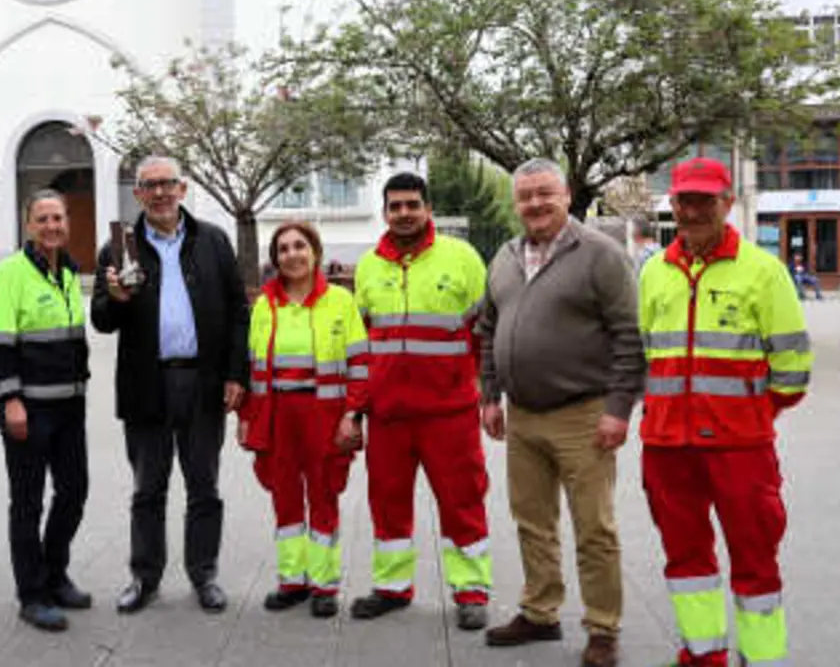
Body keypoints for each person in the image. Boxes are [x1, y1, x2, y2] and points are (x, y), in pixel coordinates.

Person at [640, 157, 812, 667]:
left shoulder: (764, 271)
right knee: (685, 558)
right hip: (668, 446)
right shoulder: (653, 271)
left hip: (740, 448)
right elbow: (644, 352)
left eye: (704, 201)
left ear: (727, 204)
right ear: (672, 204)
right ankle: (702, 654)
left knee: (755, 558)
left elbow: (793, 368)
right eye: (684, 201)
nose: (693, 211)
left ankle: (762, 657)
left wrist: (750, 415)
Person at [476, 158, 646, 667]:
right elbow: (488, 329)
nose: (535, 204)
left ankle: (603, 628)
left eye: (545, 193)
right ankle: (540, 611)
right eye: (526, 196)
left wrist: (619, 409)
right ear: (516, 203)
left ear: (567, 195)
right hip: (523, 415)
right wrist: (490, 395)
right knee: (532, 521)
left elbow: (629, 336)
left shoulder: (601, 254)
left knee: (594, 528)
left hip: (584, 414)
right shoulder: (505, 257)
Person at [91, 155, 249, 615]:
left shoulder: (213, 240)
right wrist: (116, 299)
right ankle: (144, 578)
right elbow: (101, 320)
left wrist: (236, 374)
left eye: (167, 183)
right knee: (147, 490)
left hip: (203, 383)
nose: (159, 193)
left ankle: (204, 574)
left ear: (183, 188)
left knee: (204, 487)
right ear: (137, 193)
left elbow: (238, 312)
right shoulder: (119, 247)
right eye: (149, 185)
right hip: (146, 385)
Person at [345, 172, 493, 629]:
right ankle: (392, 587)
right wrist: (356, 409)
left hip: (450, 413)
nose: (404, 213)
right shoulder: (368, 266)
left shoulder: (462, 257)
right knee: (387, 502)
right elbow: (361, 346)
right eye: (395, 206)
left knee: (463, 500)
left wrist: (484, 392)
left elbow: (486, 331)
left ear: (428, 208)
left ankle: (471, 590)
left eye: (412, 204)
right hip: (388, 414)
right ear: (385, 212)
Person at [237, 222, 367, 619]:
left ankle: (324, 584)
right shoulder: (265, 305)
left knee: (324, 496)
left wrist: (353, 414)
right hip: (277, 414)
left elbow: (360, 363)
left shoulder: (340, 302)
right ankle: (292, 580)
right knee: (284, 497)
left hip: (323, 413)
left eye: (299, 246)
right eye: (283, 249)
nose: (292, 254)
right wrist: (246, 416)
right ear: (275, 259)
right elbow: (251, 366)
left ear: (315, 252)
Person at [0, 189, 92, 632]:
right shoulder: (10, 272)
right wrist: (10, 400)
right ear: (28, 225)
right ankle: (31, 594)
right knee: (27, 503)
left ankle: (54, 573)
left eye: (57, 218)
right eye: (42, 219)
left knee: (74, 492)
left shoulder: (67, 272)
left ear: (67, 223)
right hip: (27, 409)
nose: (51, 226)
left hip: (70, 407)